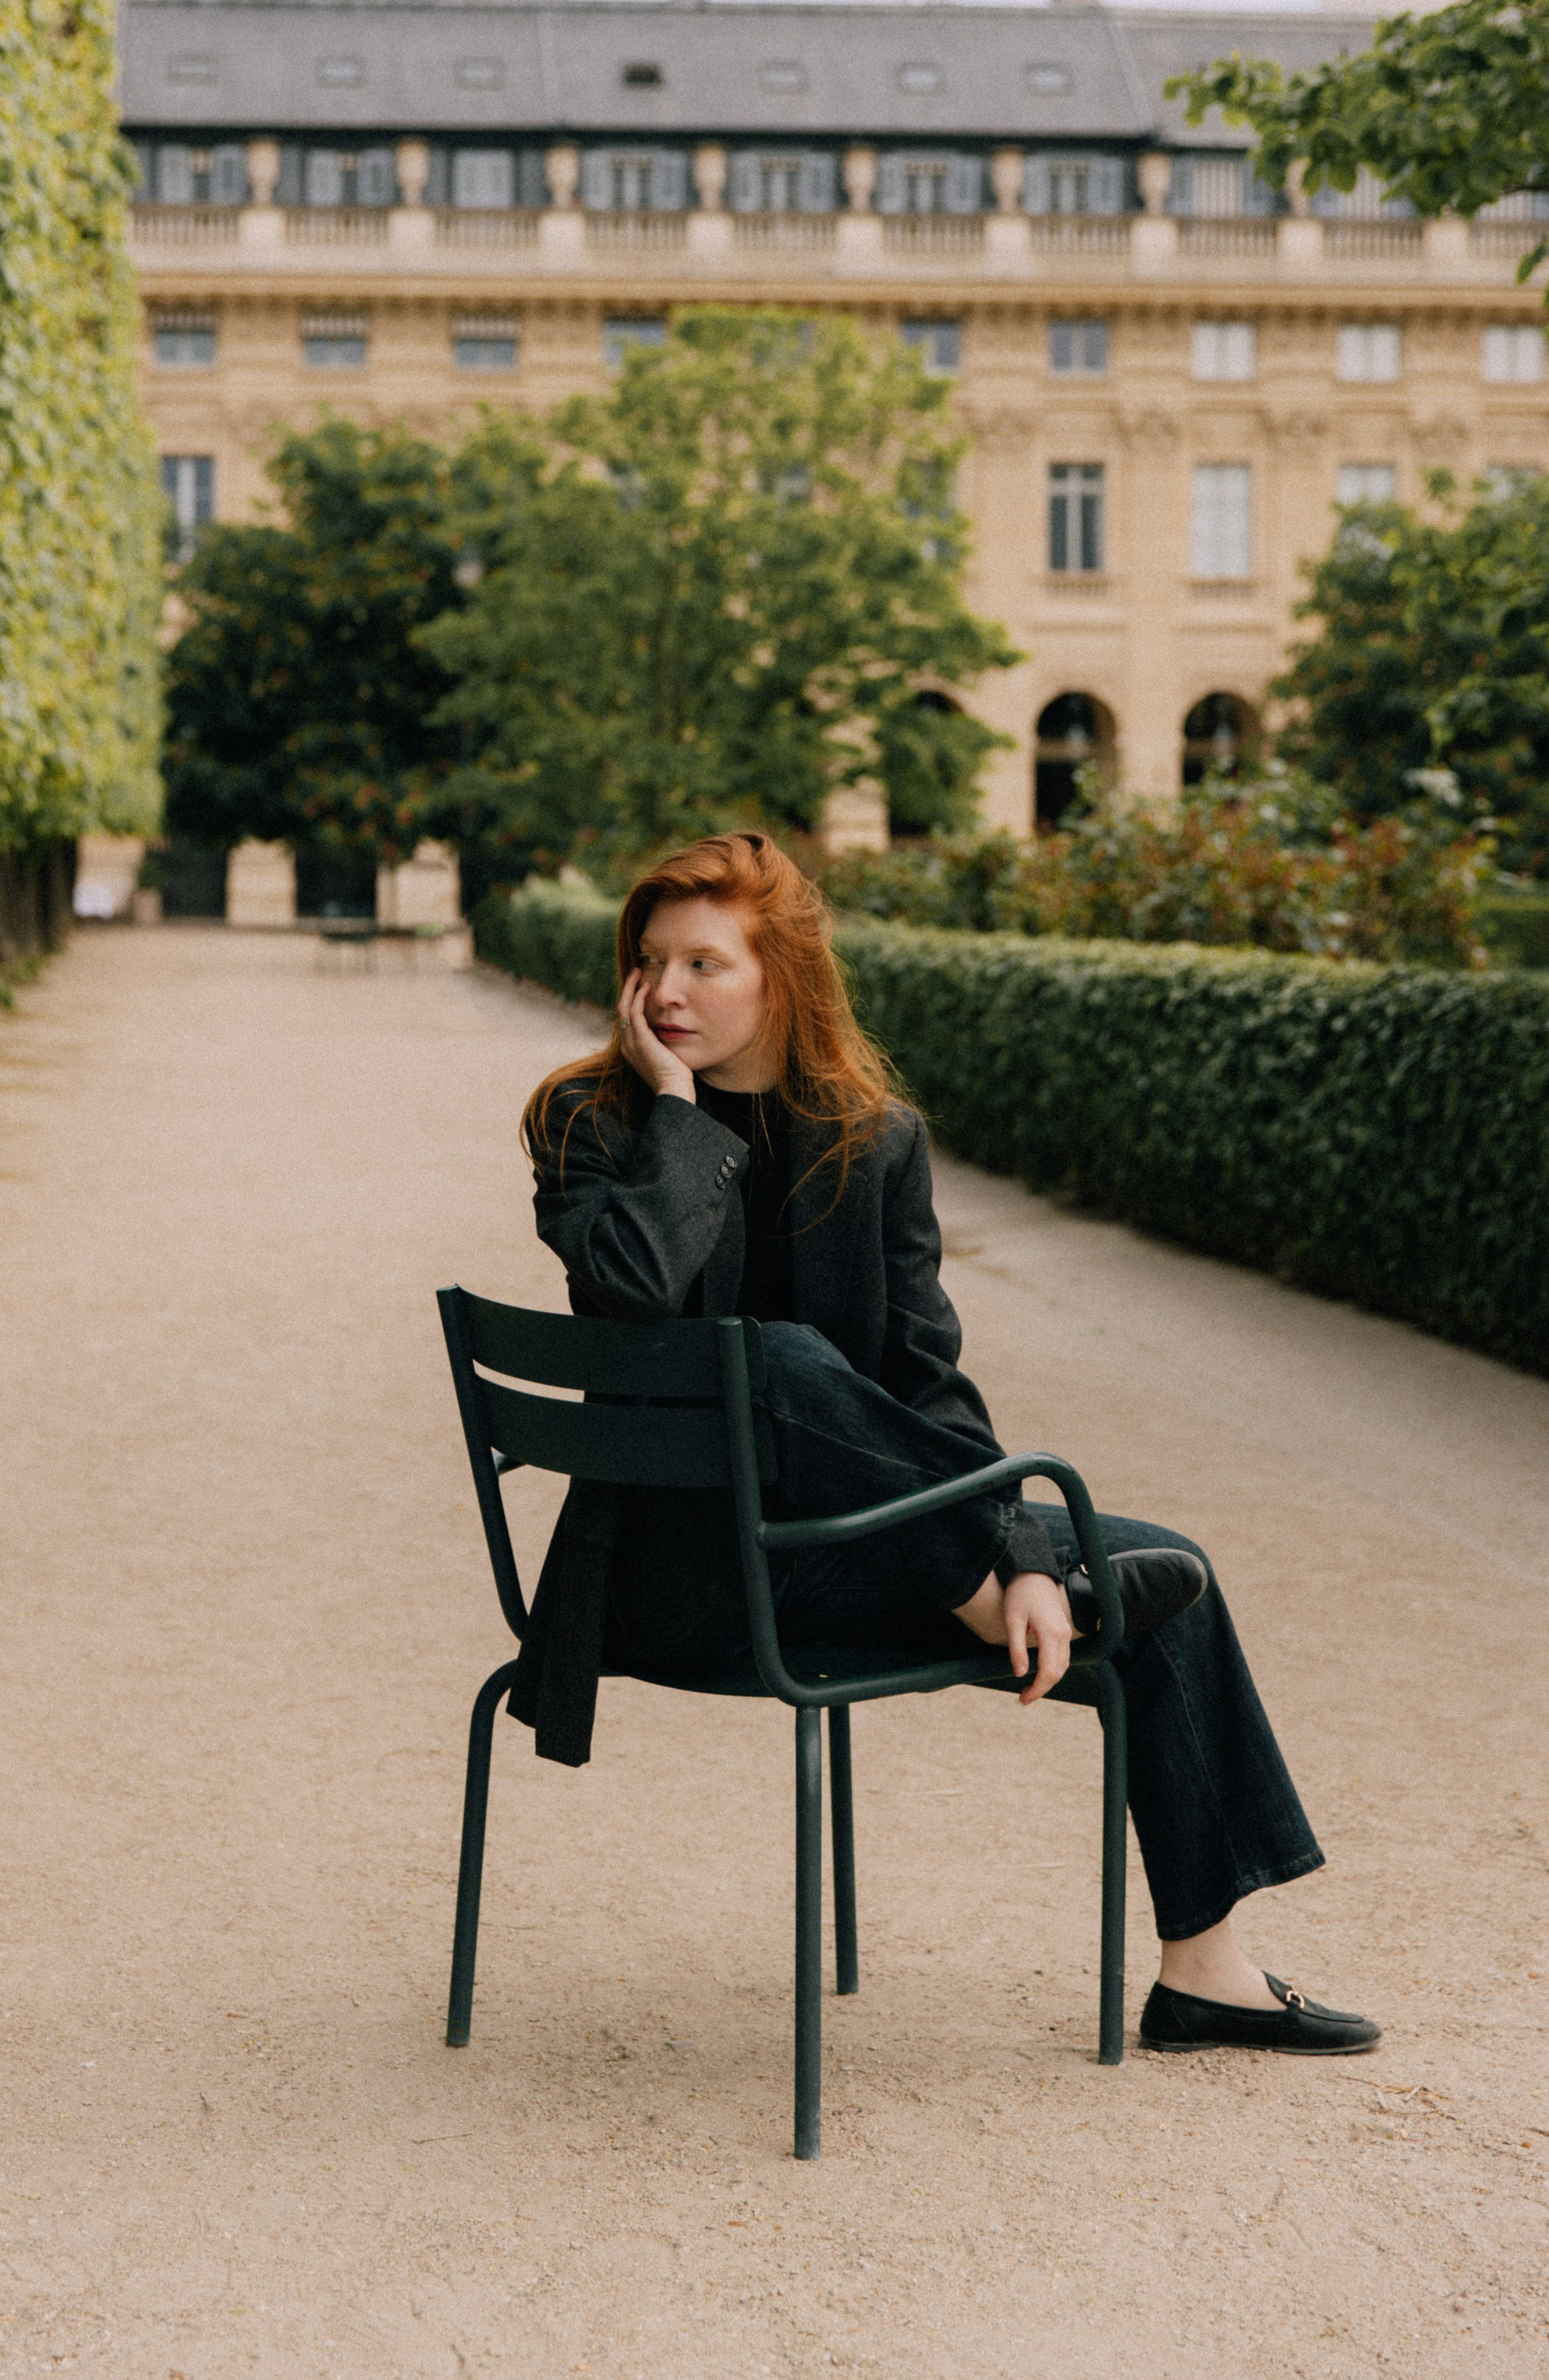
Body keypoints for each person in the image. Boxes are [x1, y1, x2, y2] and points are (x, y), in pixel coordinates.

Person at [511, 829, 1380, 2059]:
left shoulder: (874, 1141)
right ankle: (993, 1578)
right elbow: (639, 1287)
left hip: (848, 1552)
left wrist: (1022, 1546)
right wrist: (674, 1109)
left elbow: (927, 1385)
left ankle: (1204, 1968)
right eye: (651, 961)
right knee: (774, 1361)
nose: (665, 991)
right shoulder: (586, 1123)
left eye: (705, 962)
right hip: (677, 1574)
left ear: (783, 977)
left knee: (1168, 1568)